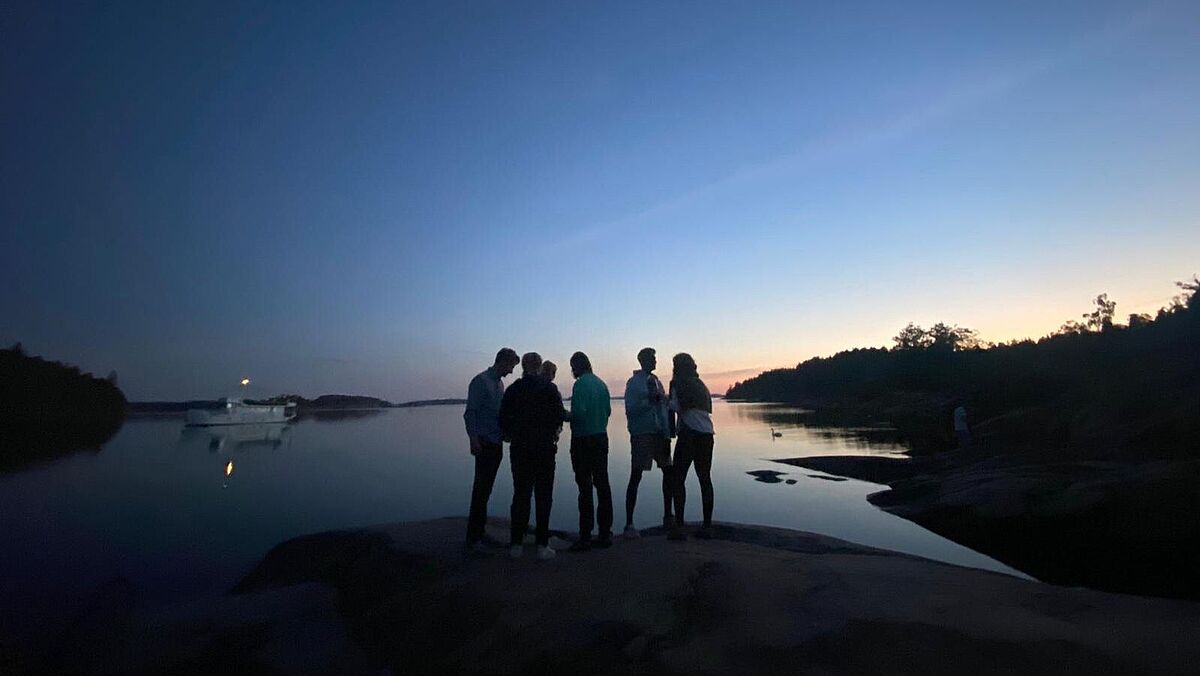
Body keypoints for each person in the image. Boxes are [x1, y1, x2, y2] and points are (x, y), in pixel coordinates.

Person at [500, 352, 567, 560]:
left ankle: (516, 544)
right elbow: (559, 415)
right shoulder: (549, 389)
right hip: (545, 449)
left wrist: (509, 435)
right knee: (543, 496)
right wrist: (553, 431)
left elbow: (503, 418)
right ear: (539, 367)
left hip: (520, 450)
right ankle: (541, 545)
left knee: (521, 495)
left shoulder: (513, 390)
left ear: (524, 367)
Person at [463, 347, 520, 552]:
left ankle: (480, 532)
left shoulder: (500, 384)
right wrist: (473, 439)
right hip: (484, 443)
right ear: (502, 362)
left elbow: (498, 414)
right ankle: (473, 539)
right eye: (511, 366)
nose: (512, 371)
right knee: (480, 490)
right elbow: (470, 413)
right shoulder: (481, 381)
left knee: (486, 490)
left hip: (496, 443)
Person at [623, 347, 673, 537]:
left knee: (668, 472)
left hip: (660, 434)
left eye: (655, 358)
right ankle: (629, 524)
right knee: (636, 475)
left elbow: (662, 410)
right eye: (652, 358)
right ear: (642, 360)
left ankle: (668, 516)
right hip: (642, 434)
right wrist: (648, 402)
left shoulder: (657, 382)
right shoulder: (633, 383)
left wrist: (668, 434)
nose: (655, 362)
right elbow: (630, 411)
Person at [566, 351, 612, 552]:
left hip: (583, 440)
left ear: (576, 367)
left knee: (584, 488)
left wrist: (563, 415)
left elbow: (578, 414)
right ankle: (604, 533)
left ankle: (585, 535)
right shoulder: (601, 384)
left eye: (572, 367)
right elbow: (608, 411)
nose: (572, 371)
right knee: (602, 485)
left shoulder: (580, 385)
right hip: (601, 438)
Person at [669, 353, 714, 540]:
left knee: (677, 479)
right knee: (705, 479)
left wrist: (664, 401)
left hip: (689, 434)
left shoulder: (678, 383)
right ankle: (707, 526)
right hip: (707, 434)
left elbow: (678, 407)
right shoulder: (701, 385)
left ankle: (679, 526)